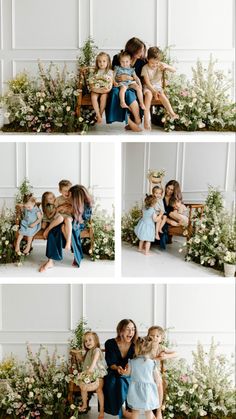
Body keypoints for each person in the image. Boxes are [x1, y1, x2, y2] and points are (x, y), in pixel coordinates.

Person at [39, 184, 92, 272]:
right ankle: (50, 261)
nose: (68, 196)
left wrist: (72, 211)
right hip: (65, 220)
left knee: (69, 229)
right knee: (54, 231)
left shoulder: (86, 205)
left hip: (76, 223)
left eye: (71, 195)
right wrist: (61, 209)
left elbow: (82, 219)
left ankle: (72, 248)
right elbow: (55, 211)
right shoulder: (66, 200)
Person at [106, 37, 147, 132]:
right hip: (119, 84)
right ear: (133, 50)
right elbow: (112, 74)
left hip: (132, 84)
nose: (141, 54)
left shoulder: (142, 61)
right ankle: (131, 121)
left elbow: (140, 77)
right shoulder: (117, 57)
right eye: (139, 51)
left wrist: (129, 78)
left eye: (142, 51)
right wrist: (119, 80)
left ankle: (136, 119)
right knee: (116, 93)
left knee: (130, 93)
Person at [103, 319, 138, 417]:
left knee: (125, 381)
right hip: (114, 371)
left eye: (133, 329)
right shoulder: (110, 343)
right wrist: (117, 368)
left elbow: (138, 359)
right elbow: (110, 362)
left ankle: (125, 412)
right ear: (120, 330)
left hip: (130, 372)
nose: (131, 332)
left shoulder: (136, 344)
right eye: (128, 329)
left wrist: (129, 367)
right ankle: (122, 411)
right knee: (113, 381)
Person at [142, 47, 178, 130]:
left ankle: (171, 113)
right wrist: (153, 91)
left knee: (162, 94)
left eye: (156, 63)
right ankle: (146, 120)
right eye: (152, 63)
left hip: (158, 87)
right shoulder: (145, 68)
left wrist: (166, 67)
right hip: (148, 87)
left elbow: (174, 70)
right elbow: (147, 82)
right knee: (148, 95)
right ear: (147, 59)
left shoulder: (160, 65)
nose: (154, 65)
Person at [125, 336, 160, 419]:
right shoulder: (152, 363)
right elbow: (157, 378)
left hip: (135, 389)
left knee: (135, 410)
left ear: (137, 348)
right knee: (148, 410)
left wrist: (123, 371)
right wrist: (157, 384)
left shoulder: (132, 362)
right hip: (148, 390)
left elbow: (127, 374)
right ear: (151, 349)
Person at [147, 326, 177, 419]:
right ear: (148, 337)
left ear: (161, 338)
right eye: (152, 336)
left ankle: (159, 410)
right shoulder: (145, 346)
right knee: (148, 387)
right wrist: (157, 358)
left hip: (156, 372)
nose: (154, 338)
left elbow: (176, 353)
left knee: (159, 384)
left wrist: (165, 357)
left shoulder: (161, 347)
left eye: (157, 336)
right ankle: (150, 412)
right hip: (146, 371)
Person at [77, 331, 107, 418]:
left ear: (95, 341)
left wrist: (91, 368)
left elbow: (94, 360)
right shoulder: (88, 352)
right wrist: (79, 357)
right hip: (89, 376)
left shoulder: (97, 350)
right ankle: (85, 405)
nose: (87, 342)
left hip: (98, 375)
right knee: (83, 388)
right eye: (85, 341)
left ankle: (101, 410)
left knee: (99, 390)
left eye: (90, 340)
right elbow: (86, 361)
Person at [43, 180, 73, 251]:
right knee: (60, 218)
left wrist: (69, 209)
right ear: (60, 191)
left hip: (68, 216)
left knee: (67, 219)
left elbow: (74, 210)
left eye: (69, 190)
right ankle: (48, 230)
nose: (67, 193)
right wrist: (59, 208)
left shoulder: (72, 199)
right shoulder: (58, 199)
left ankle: (68, 242)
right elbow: (54, 210)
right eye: (65, 191)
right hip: (59, 217)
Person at [88, 52, 113, 123]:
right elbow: (91, 84)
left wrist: (103, 91)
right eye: (99, 61)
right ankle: (98, 114)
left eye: (104, 61)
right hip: (96, 89)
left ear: (108, 62)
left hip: (105, 90)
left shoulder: (110, 72)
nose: (102, 63)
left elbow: (109, 87)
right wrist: (96, 89)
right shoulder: (94, 72)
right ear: (97, 62)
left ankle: (100, 114)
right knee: (93, 97)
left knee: (103, 97)